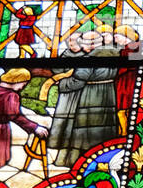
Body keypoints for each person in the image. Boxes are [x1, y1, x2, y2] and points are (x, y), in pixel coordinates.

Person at [47, 33, 120, 167]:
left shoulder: (90, 59)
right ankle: (102, 159)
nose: (81, 47)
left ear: (92, 44)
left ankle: (76, 162)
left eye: (83, 44)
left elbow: (78, 81)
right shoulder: (114, 55)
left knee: (83, 130)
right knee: (103, 129)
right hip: (108, 94)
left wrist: (62, 84)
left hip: (89, 96)